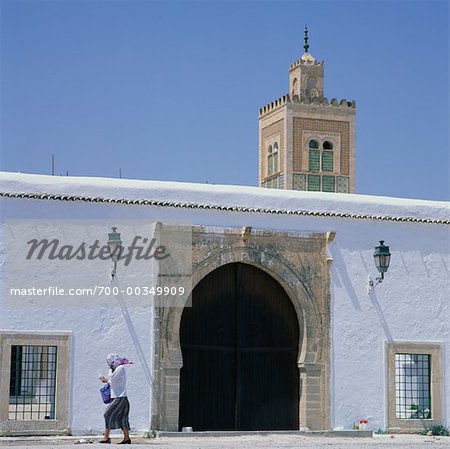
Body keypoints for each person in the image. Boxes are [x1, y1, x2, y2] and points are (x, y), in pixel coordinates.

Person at [99, 354, 133, 444]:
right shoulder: (117, 369)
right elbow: (113, 381)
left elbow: (112, 379)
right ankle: (127, 439)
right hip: (120, 397)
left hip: (119, 397)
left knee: (107, 414)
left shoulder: (120, 368)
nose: (109, 364)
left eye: (110, 362)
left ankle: (106, 437)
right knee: (122, 418)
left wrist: (110, 370)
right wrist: (106, 380)